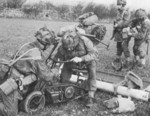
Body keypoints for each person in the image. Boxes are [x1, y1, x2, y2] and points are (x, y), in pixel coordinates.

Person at [0, 26, 59, 116]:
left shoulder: (28, 46)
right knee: (11, 113)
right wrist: (55, 71)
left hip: (9, 76)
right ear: (46, 44)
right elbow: (46, 76)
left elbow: (38, 59)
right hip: (12, 85)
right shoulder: (36, 56)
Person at [55, 31, 98, 108]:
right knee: (65, 69)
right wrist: (56, 67)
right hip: (72, 62)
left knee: (92, 71)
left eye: (71, 47)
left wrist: (81, 59)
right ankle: (63, 91)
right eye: (67, 48)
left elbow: (93, 54)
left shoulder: (85, 41)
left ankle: (90, 96)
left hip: (87, 61)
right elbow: (58, 57)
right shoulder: (62, 46)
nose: (69, 49)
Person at [113, 0, 131, 69]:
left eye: (119, 4)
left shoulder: (126, 12)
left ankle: (127, 61)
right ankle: (118, 58)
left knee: (124, 45)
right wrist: (115, 25)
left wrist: (118, 25)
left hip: (124, 31)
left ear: (123, 4)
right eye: (117, 4)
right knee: (118, 45)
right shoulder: (119, 11)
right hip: (118, 31)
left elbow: (126, 22)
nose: (118, 6)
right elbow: (118, 20)